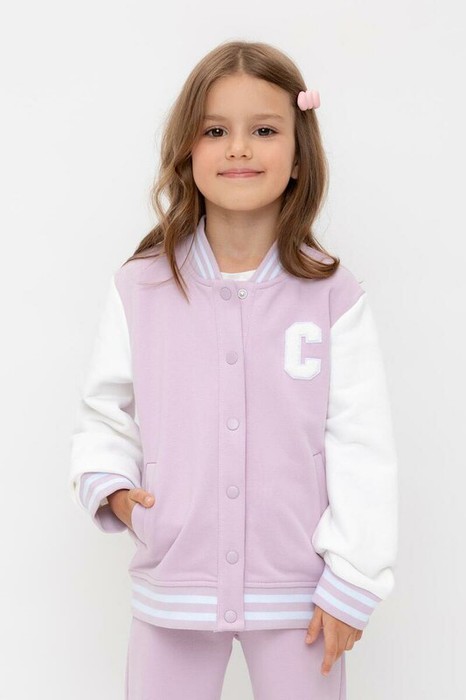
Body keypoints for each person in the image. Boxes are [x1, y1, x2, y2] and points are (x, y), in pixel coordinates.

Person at [69, 39, 398, 700]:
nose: (239, 148)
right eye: (215, 131)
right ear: (187, 152)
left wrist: (353, 578)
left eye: (265, 131)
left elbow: (361, 441)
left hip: (302, 592)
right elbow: (104, 409)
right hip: (175, 579)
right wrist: (119, 493)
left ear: (300, 156)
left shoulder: (332, 295)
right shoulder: (141, 287)